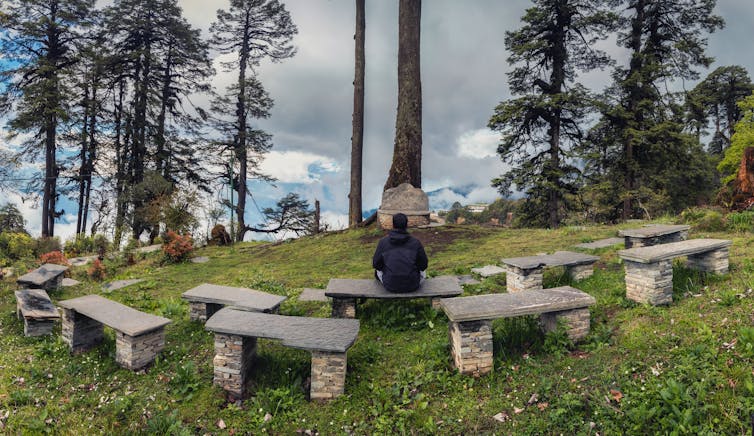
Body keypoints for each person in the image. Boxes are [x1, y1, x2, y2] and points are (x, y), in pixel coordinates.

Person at [372, 213, 428, 292]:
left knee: (377, 271)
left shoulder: (383, 242)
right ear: (406, 225)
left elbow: (376, 264)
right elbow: (423, 265)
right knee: (423, 271)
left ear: (393, 225)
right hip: (412, 285)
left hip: (390, 285)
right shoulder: (415, 242)